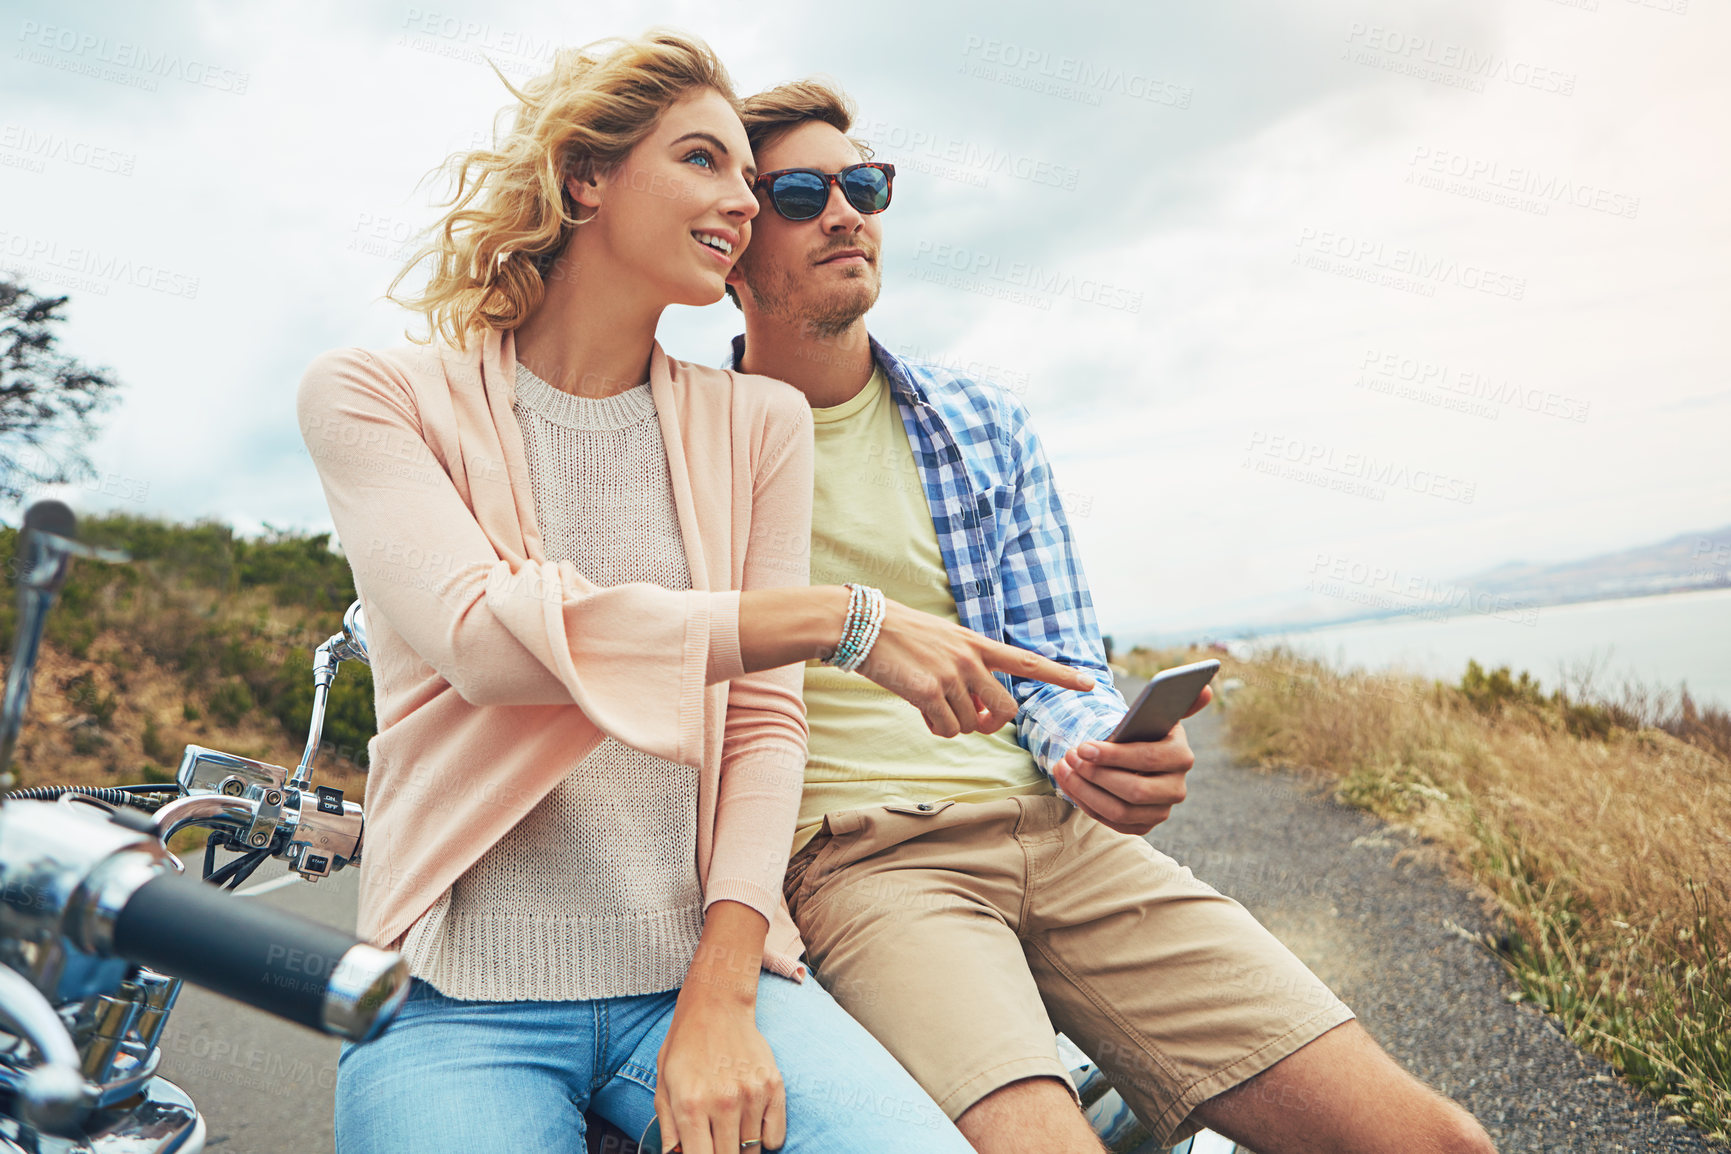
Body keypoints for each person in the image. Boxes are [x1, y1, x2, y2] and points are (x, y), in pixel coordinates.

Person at [296, 34, 1090, 1154]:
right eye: (704, 162)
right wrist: (838, 618)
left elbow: (766, 722)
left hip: (697, 970)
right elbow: (483, 639)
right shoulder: (375, 396)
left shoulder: (754, 422)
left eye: (750, 182)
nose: (742, 203)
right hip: (451, 997)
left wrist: (721, 995)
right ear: (586, 175)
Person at [721, 79, 1500, 1154]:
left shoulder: (981, 424)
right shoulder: (687, 445)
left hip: (1063, 832)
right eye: (802, 193)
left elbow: (1056, 670)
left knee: (1435, 1140)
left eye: (865, 184)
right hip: (871, 862)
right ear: (730, 241)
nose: (848, 212)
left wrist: (1103, 755)